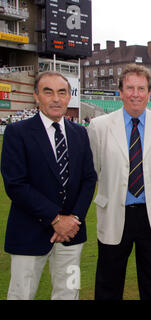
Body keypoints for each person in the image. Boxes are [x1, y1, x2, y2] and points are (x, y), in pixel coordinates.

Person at [1, 71, 97, 300]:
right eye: (48, 92)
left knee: (69, 292)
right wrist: (56, 219)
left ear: (68, 97)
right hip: (28, 233)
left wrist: (74, 219)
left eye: (62, 92)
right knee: (21, 294)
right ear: (36, 96)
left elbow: (88, 178)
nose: (56, 98)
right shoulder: (17, 133)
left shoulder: (79, 133)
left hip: (71, 235)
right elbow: (15, 185)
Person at [88, 64, 151, 300]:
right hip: (115, 213)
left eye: (141, 88)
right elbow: (93, 171)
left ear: (149, 92)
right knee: (108, 283)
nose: (135, 93)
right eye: (130, 88)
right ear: (120, 91)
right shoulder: (99, 126)